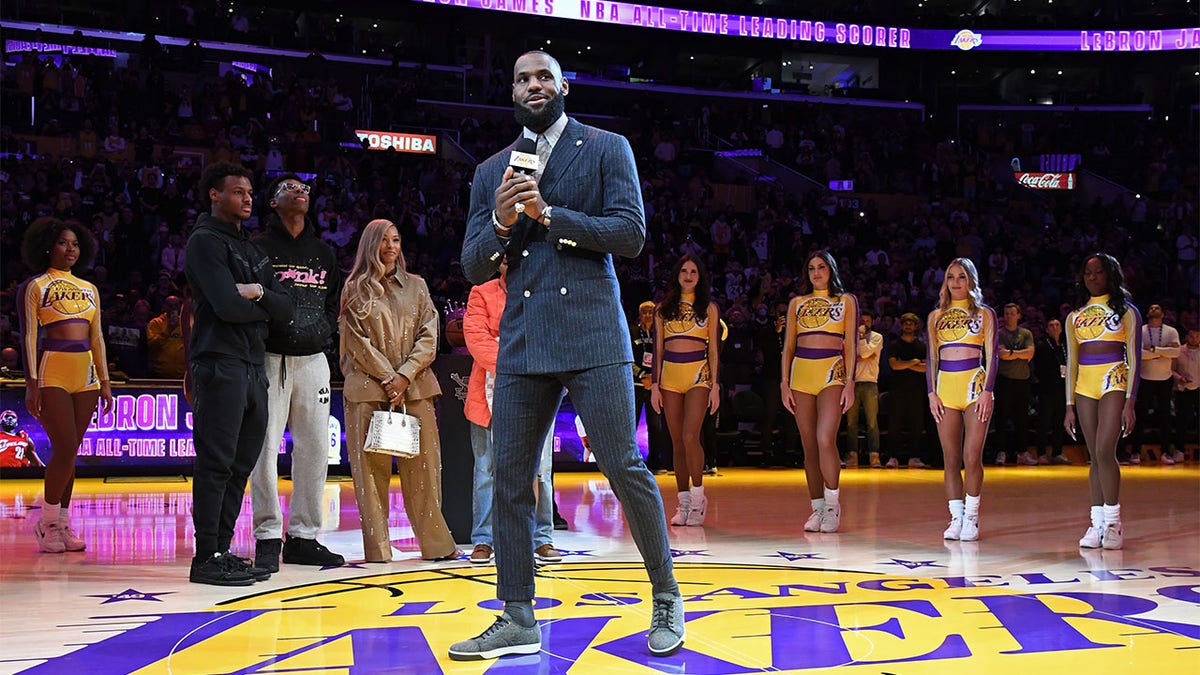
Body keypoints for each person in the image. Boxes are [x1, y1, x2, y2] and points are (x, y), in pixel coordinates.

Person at [454, 50, 683, 661]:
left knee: (622, 464)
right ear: (511, 92)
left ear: (563, 86)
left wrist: (548, 215)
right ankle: (517, 614)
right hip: (524, 339)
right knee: (508, 478)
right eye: (522, 79)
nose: (533, 85)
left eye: (543, 77)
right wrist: (501, 226)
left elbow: (630, 235)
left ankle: (666, 596)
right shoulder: (491, 172)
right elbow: (473, 264)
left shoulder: (608, 149)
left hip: (591, 334)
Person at [184, 161, 293, 585]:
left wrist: (260, 295)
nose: (247, 198)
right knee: (216, 462)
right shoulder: (204, 242)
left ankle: (221, 549)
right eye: (237, 192)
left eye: (249, 193)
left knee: (241, 463)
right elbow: (227, 306)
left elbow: (285, 309)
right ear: (214, 194)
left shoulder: (250, 249)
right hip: (219, 362)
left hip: (252, 365)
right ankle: (205, 555)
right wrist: (262, 311)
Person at [339, 219, 458, 564]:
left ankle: (437, 546)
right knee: (370, 477)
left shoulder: (418, 287)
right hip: (368, 390)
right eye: (383, 240)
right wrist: (389, 378)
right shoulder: (354, 289)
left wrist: (403, 376)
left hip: (416, 388)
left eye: (396, 239)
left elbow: (429, 336)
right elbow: (355, 344)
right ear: (370, 245)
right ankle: (378, 552)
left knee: (425, 471)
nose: (391, 246)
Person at [249, 174, 345, 572]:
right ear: (272, 203)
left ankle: (304, 536)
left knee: (314, 449)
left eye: (304, 188)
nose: (300, 191)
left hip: (313, 360)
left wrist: (321, 333)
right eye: (289, 187)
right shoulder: (256, 248)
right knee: (264, 448)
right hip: (270, 356)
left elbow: (331, 305)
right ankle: (268, 535)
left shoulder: (324, 252)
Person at [18, 217, 113, 552]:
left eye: (74, 243)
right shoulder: (36, 285)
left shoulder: (90, 289)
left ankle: (64, 523)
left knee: (72, 453)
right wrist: (32, 383)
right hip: (51, 371)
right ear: (47, 246)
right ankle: (46, 523)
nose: (70, 249)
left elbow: (97, 337)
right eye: (62, 243)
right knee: (65, 447)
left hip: (85, 374)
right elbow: (30, 335)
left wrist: (105, 380)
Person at [463, 257, 560, 566]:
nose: (511, 266)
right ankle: (483, 540)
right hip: (488, 397)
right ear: (500, 265)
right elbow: (477, 340)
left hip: (538, 393)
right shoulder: (481, 293)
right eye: (506, 261)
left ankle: (541, 538)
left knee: (541, 472)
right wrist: (518, 363)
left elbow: (548, 340)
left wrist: (510, 350)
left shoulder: (543, 294)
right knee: (486, 471)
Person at [1065, 253, 1140, 550]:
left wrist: (1130, 402)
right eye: (1087, 272)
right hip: (1084, 386)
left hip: (1114, 381)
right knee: (1093, 457)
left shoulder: (1127, 311)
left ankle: (1113, 522)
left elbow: (1134, 358)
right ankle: (1096, 523)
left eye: (1098, 272)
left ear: (1110, 274)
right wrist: (1068, 405)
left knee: (1104, 450)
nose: (1092, 277)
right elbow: (1071, 363)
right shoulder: (1075, 316)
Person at [782, 250, 858, 533]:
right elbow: (788, 346)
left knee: (825, 437)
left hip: (832, 375)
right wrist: (784, 382)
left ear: (831, 269)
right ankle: (816, 507)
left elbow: (850, 344)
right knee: (809, 444)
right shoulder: (797, 303)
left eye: (822, 267)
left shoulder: (845, 301)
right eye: (811, 268)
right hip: (801, 375)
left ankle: (832, 504)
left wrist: (850, 382)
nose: (816, 272)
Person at [927, 257, 997, 542]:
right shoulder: (935, 317)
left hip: (974, 386)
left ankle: (971, 516)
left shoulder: (984, 313)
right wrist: (931, 393)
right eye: (951, 277)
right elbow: (932, 358)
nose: (956, 282)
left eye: (962, 277)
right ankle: (955, 517)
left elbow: (992, 356)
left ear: (971, 281)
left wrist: (988, 391)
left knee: (972, 455)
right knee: (951, 457)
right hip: (945, 389)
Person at [651, 254, 721, 527]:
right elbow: (658, 348)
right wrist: (655, 385)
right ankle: (682, 503)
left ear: (700, 276)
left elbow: (713, 349)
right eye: (684, 270)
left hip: (698, 377)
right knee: (677, 440)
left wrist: (715, 385)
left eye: (694, 271)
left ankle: (698, 496)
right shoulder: (662, 309)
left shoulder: (709, 308)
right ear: (677, 275)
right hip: (669, 378)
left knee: (691, 436)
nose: (689, 275)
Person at [1131, 303, 1179, 463]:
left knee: (1165, 417)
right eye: (1150, 308)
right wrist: (1162, 350)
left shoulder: (1171, 331)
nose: (1153, 309)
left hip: (1165, 379)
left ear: (1163, 314)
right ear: (1147, 314)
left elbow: (1176, 352)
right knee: (1140, 416)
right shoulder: (1141, 330)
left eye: (1157, 308)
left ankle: (1166, 452)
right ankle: (1135, 451)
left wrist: (1152, 350)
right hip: (1145, 378)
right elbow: (1138, 354)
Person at [994, 303, 1035, 466]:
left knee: (1022, 418)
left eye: (1012, 313)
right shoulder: (999, 334)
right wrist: (1020, 354)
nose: (1009, 316)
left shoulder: (1026, 333)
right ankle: (1001, 452)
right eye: (1006, 313)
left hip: (1022, 380)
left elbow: (1030, 353)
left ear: (1019, 315)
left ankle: (1022, 452)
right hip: (1004, 380)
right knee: (1002, 417)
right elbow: (1001, 355)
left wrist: (1011, 353)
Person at [886, 313, 929, 469]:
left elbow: (926, 369)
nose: (908, 326)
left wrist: (905, 364)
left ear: (916, 326)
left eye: (911, 323)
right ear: (902, 326)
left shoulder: (922, 346)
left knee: (916, 425)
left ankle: (914, 457)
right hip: (897, 390)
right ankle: (893, 457)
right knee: (895, 425)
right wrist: (914, 362)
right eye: (906, 323)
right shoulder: (894, 344)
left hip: (917, 390)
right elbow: (894, 365)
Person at [632, 300, 669, 474]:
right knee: (631, 424)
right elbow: (628, 358)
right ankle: (631, 463)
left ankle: (655, 462)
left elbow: (665, 357)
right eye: (644, 312)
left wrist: (654, 378)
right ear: (639, 314)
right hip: (636, 384)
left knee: (655, 425)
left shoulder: (661, 333)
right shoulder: (632, 332)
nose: (647, 315)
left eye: (650, 312)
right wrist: (641, 375)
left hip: (655, 386)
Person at [845, 308, 883, 468]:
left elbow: (865, 353)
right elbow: (849, 357)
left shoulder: (877, 337)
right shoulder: (850, 338)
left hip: (870, 382)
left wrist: (861, 347)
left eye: (867, 321)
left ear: (872, 322)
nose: (864, 324)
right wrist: (860, 356)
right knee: (851, 422)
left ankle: (874, 456)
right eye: (861, 321)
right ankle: (852, 455)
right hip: (852, 382)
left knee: (872, 422)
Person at [1034, 317, 1072, 465]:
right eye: (1051, 325)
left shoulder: (1065, 346)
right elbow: (1039, 369)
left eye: (1057, 325)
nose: (1055, 327)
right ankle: (1041, 453)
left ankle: (1057, 452)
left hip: (1062, 389)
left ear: (1061, 328)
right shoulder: (1043, 346)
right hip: (1047, 389)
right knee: (1044, 421)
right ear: (1047, 329)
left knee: (1059, 422)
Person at [1170, 328, 1199, 463]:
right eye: (1192, 335)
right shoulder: (1179, 351)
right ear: (1187, 336)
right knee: (1182, 421)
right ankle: (1180, 451)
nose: (1194, 338)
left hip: (1198, 388)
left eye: (1197, 336)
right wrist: (1180, 378)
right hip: (1182, 390)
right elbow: (1171, 369)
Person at [146, 295, 186, 378]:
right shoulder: (156, 323)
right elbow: (152, 345)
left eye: (176, 305)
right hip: (161, 373)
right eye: (170, 305)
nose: (173, 308)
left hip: (183, 374)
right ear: (165, 306)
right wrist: (168, 329)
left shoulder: (186, 323)